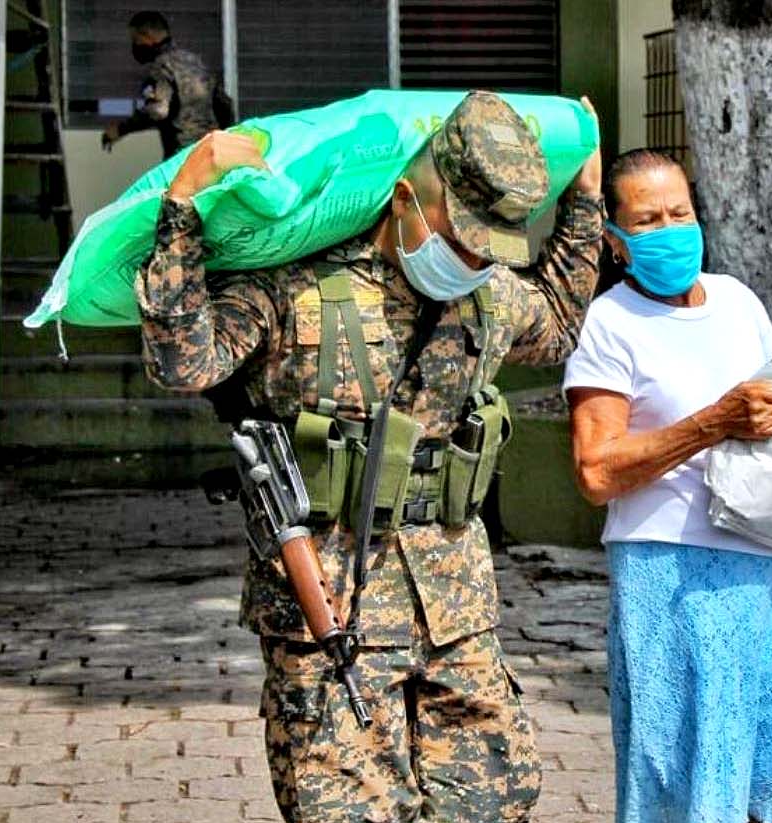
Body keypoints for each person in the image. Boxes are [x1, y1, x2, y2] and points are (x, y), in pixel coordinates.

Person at [135, 90, 602, 822]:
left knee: (495, 800)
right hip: (330, 614)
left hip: (455, 607)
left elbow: (561, 328)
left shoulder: (491, 297)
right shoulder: (297, 289)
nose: (475, 257)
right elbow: (184, 362)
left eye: (492, 245)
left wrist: (585, 199)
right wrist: (182, 207)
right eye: (462, 235)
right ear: (407, 197)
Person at [563, 149, 772, 823]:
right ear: (615, 239)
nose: (669, 230)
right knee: (685, 782)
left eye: (680, 213)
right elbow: (596, 471)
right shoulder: (609, 324)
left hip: (770, 565)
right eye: (647, 220)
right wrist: (712, 422)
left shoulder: (735, 300)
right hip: (672, 575)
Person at [101, 11, 234, 158]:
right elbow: (225, 104)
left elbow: (157, 111)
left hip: (181, 155)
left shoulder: (161, 67)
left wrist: (120, 130)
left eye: (136, 39)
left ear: (147, 37)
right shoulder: (194, 61)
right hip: (210, 150)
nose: (135, 45)